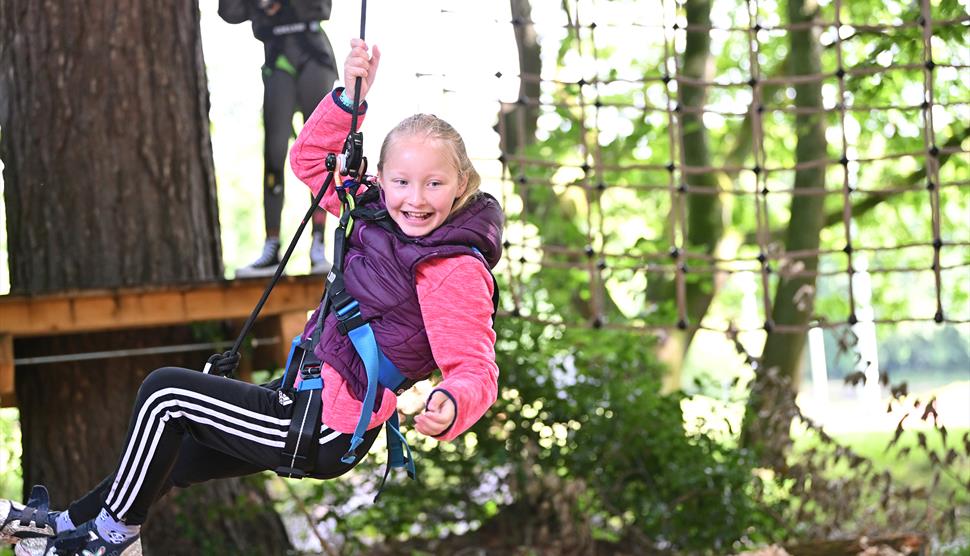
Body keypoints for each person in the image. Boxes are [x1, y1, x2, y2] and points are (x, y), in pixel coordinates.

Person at [0, 39, 504, 556]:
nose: (414, 199)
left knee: (165, 396)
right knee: (175, 453)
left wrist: (451, 401)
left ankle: (110, 542)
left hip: (324, 426)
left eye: (434, 184)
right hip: (299, 399)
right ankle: (58, 527)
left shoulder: (451, 266)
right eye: (401, 180)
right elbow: (310, 161)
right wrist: (348, 102)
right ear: (384, 176)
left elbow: (474, 366)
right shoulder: (375, 209)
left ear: (461, 182)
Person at [218, 0, 338, 277]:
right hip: (278, 56)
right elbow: (229, 12)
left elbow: (322, 7)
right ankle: (272, 246)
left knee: (319, 155)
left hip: (313, 54)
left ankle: (318, 244)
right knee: (273, 152)